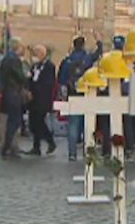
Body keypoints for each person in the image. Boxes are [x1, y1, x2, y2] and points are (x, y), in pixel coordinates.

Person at [57, 33, 103, 161]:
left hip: (72, 94)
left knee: (73, 124)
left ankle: (72, 154)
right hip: (86, 93)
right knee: (87, 124)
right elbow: (98, 53)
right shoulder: (86, 58)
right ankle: (86, 151)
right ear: (83, 45)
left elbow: (61, 79)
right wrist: (98, 41)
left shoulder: (67, 60)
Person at [0, 38, 30, 159]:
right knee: (15, 121)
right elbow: (19, 76)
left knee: (11, 121)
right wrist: (26, 76)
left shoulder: (5, 59)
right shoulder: (14, 59)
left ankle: (7, 147)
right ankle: (7, 147)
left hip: (7, 92)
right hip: (13, 93)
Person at [27, 45, 57, 156]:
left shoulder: (49, 66)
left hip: (43, 98)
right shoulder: (34, 66)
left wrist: (36, 88)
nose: (35, 56)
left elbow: (49, 83)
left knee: (39, 121)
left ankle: (49, 142)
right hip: (33, 99)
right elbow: (30, 79)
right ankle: (36, 147)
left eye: (37, 53)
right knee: (33, 122)